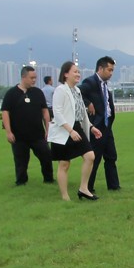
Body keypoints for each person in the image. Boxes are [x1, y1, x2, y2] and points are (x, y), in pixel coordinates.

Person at [48, 61, 100, 201]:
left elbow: (82, 112)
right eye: (75, 71)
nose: (78, 74)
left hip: (77, 127)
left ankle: (83, 188)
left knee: (90, 156)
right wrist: (70, 130)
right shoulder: (60, 90)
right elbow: (57, 112)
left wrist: (91, 127)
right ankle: (65, 196)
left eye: (78, 72)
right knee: (64, 164)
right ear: (66, 74)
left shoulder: (77, 91)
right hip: (64, 130)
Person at [0, 65, 53, 185]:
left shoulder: (38, 93)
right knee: (21, 161)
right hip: (19, 136)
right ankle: (21, 181)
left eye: (35, 78)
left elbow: (45, 112)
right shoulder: (11, 93)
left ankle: (48, 179)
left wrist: (48, 129)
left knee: (46, 156)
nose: (34, 80)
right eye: (31, 78)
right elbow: (5, 112)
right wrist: (8, 132)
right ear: (23, 77)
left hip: (38, 135)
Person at [79, 56, 121, 193]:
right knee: (95, 158)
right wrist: (88, 103)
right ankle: (88, 187)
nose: (111, 73)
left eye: (112, 70)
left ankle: (114, 186)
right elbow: (78, 93)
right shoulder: (90, 82)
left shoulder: (104, 86)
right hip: (97, 127)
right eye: (109, 70)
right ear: (100, 68)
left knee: (111, 156)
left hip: (107, 126)